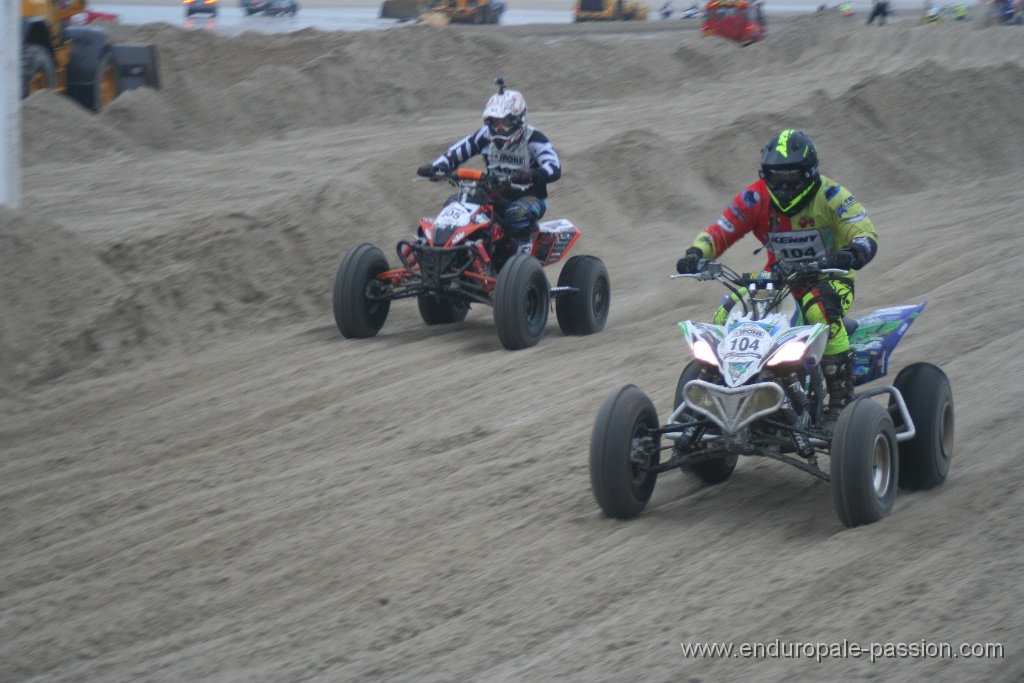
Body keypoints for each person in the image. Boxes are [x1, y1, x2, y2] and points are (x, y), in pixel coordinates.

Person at [675, 130, 879, 417]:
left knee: (820, 311)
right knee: (727, 313)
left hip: (830, 277)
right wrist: (696, 253)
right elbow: (721, 230)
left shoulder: (832, 196)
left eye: (792, 177)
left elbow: (864, 231)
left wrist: (854, 251)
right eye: (774, 176)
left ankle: (840, 399)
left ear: (809, 173)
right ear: (764, 174)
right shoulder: (754, 197)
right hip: (777, 280)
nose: (783, 185)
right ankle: (719, 391)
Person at [417, 78, 562, 261]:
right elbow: (457, 152)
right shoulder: (484, 136)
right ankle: (452, 256)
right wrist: (436, 167)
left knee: (516, 214)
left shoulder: (533, 138)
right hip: (495, 192)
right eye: (495, 123)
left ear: (519, 119)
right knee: (456, 204)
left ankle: (522, 262)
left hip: (529, 196)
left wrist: (531, 174)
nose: (500, 129)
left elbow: (554, 166)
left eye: (506, 122)